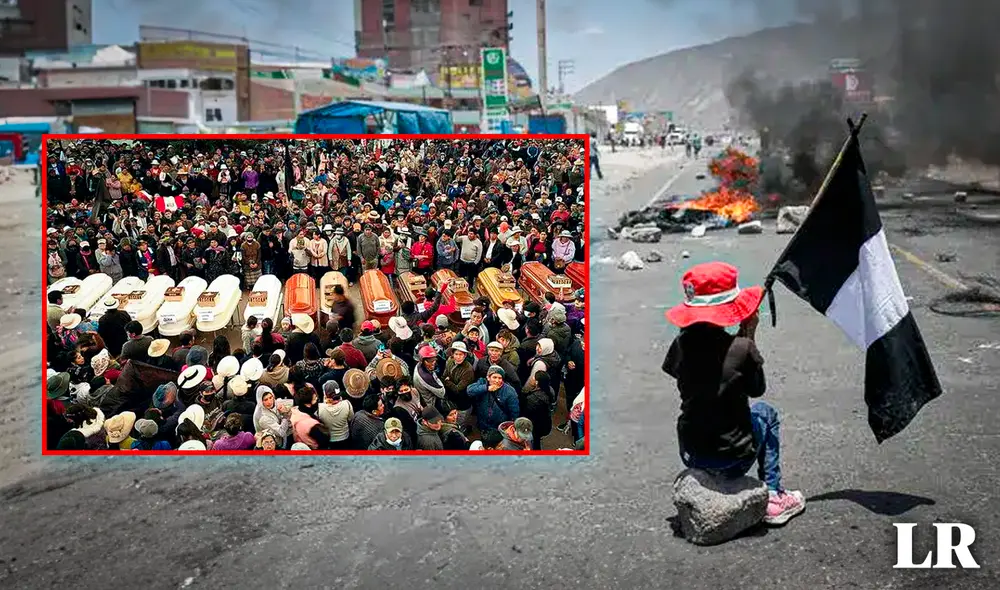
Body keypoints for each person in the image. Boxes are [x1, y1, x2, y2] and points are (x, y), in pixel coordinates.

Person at [662, 261, 805, 526]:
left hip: (691, 451)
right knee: (766, 414)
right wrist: (748, 336)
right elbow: (756, 389)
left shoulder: (681, 345)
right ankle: (773, 494)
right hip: (732, 459)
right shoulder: (741, 348)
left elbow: (683, 372)